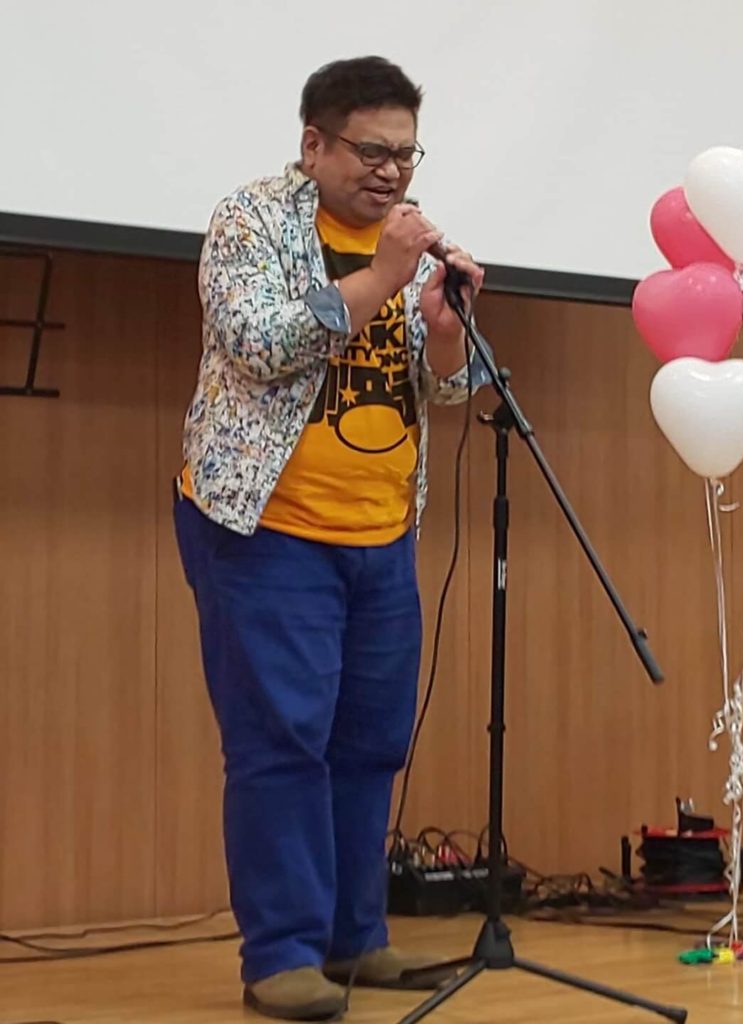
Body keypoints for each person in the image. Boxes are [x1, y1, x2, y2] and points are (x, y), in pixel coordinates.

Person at [173, 56, 484, 1022]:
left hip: (382, 534)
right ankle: (282, 955)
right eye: (371, 151)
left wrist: (443, 329)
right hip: (267, 528)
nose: (392, 172)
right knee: (281, 742)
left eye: (406, 154)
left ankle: (357, 938)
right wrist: (381, 275)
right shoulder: (252, 221)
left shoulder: (413, 244)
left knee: (370, 743)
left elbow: (442, 391)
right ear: (314, 144)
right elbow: (260, 342)